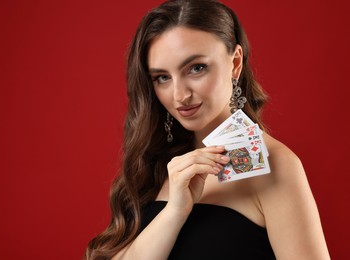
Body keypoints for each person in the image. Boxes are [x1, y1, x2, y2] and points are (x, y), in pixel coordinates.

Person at [85, 0, 330, 259]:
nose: (180, 95)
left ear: (235, 63)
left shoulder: (276, 165)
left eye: (196, 68)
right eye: (162, 77)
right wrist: (174, 213)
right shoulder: (155, 163)